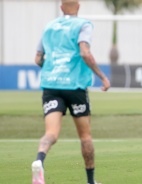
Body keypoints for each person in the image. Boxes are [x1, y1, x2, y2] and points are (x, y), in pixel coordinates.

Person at [31, 0, 110, 184]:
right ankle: (90, 181)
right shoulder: (83, 24)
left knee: (51, 133)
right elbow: (84, 52)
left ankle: (39, 161)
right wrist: (102, 77)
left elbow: (37, 58)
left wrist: (51, 68)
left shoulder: (49, 26)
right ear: (79, 7)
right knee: (85, 136)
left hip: (51, 85)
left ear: (61, 8)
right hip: (74, 86)